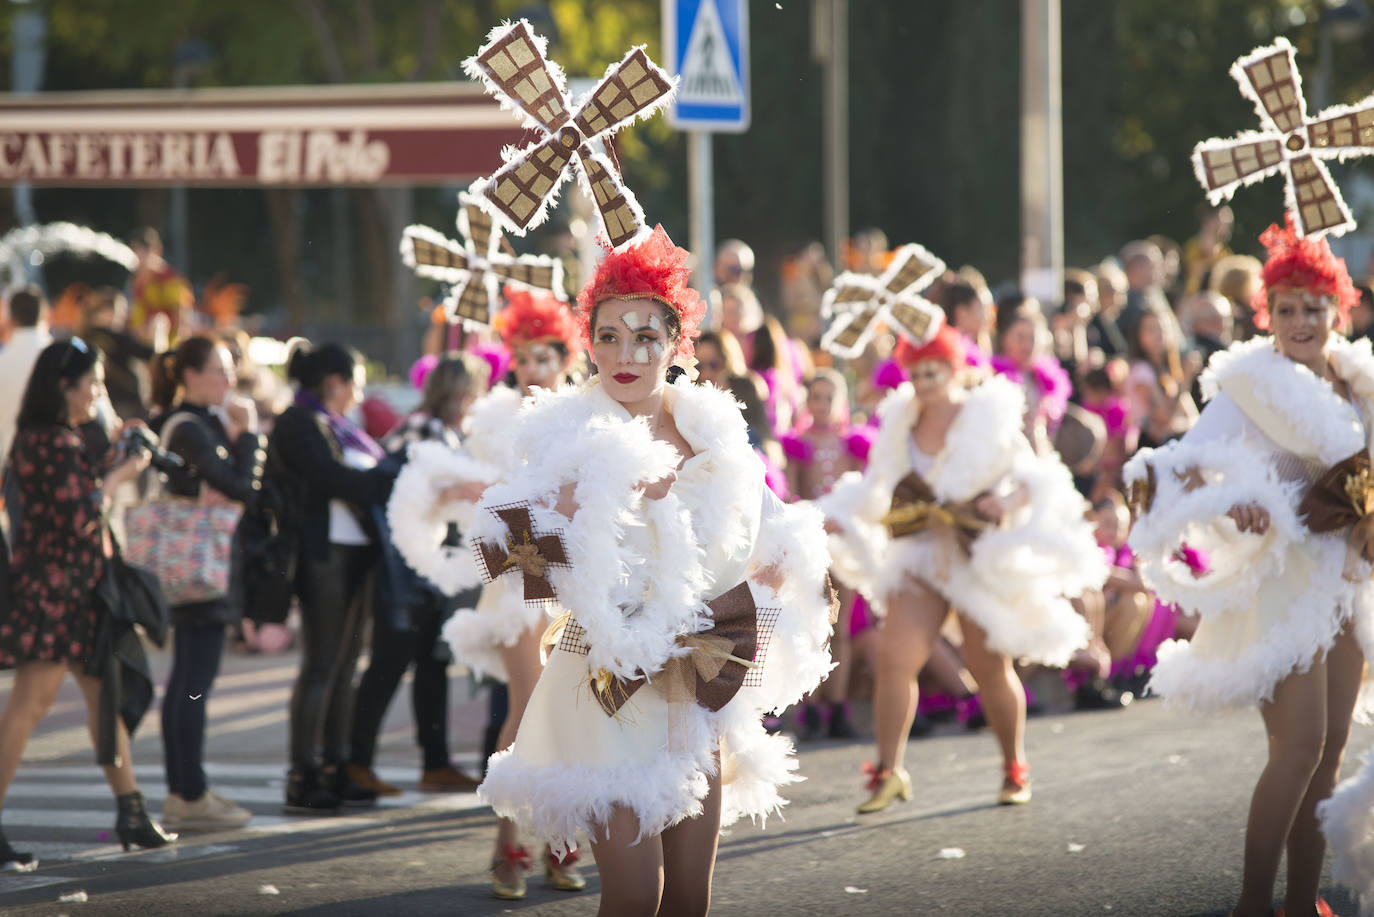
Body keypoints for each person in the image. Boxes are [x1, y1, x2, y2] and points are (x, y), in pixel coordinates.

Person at [475, 227, 835, 915]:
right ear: (589, 341)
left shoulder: (713, 435)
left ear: (677, 343)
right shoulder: (564, 435)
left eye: (645, 336)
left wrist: (782, 584)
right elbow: (510, 561)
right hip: (604, 682)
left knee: (688, 902)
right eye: (608, 335)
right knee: (635, 897)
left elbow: (774, 532)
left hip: (695, 687)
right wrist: (578, 503)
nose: (625, 354)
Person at [1125, 215, 1370, 917]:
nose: (1300, 321)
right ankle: (1253, 905)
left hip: (1346, 583)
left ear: (1337, 310)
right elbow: (1182, 468)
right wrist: (1240, 502)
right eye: (1285, 309)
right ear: (1267, 315)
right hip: (1281, 585)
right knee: (1297, 749)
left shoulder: (1359, 385)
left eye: (1313, 308)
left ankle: (1300, 903)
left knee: (1327, 756)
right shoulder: (1251, 390)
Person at [821, 324, 1104, 813]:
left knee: (990, 669)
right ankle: (888, 772)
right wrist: (839, 514)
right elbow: (875, 487)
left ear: (955, 369)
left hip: (978, 556)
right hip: (923, 555)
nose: (926, 380)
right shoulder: (901, 424)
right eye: (917, 371)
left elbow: (1031, 476)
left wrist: (1003, 500)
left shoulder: (987, 416)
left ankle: (1014, 766)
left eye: (935, 370)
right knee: (895, 659)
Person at [0, 338, 176, 869]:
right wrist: (120, 474)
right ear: (64, 387)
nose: (99, 392)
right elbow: (78, 515)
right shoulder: (48, 441)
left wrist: (112, 455)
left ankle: (132, 810)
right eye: (93, 383)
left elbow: (76, 497)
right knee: (30, 706)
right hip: (57, 594)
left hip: (77, 592)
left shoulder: (54, 439)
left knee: (105, 702)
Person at [439, 288, 588, 897]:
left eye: (543, 358)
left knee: (576, 715)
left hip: (577, 583)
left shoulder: (585, 416)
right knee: (528, 711)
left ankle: (558, 842)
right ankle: (508, 848)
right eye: (522, 357)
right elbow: (476, 499)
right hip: (521, 580)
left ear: (564, 361)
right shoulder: (495, 421)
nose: (531, 369)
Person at [346, 353, 491, 797]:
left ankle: (434, 761)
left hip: (431, 567)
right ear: (460, 392)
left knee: (431, 664)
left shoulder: (443, 430)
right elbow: (396, 491)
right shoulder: (423, 428)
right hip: (407, 568)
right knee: (391, 664)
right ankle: (358, 762)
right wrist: (451, 491)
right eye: (471, 390)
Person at [266, 341, 397, 814]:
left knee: (345, 666)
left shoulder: (339, 425)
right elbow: (329, 479)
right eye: (355, 384)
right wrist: (389, 477)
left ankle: (335, 768)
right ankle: (302, 774)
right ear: (334, 383)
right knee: (321, 665)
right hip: (322, 556)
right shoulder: (298, 421)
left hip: (356, 555)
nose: (359, 395)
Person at [149, 336, 263, 832]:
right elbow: (242, 488)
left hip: (195, 567)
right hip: (201, 569)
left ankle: (185, 788)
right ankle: (187, 792)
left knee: (187, 680)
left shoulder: (189, 423)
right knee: (194, 682)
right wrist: (251, 434)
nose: (230, 378)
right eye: (220, 368)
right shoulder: (192, 428)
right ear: (191, 375)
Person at [781, 369, 872, 739]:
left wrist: (846, 519)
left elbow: (864, 493)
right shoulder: (799, 443)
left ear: (841, 401)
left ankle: (838, 706)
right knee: (815, 623)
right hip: (814, 543)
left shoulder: (853, 444)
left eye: (828, 397)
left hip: (846, 545)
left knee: (843, 629)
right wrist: (815, 519)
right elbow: (792, 495)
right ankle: (811, 707)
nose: (821, 404)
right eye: (814, 397)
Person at [992, 294, 1072, 454]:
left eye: (1032, 338)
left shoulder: (1043, 379)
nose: (1027, 345)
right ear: (1005, 339)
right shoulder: (995, 377)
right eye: (1020, 337)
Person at [1125, 308, 1200, 448]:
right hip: (1149, 448)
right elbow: (1165, 418)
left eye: (1163, 328)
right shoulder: (1141, 371)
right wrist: (1186, 380)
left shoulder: (1167, 370)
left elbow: (1192, 417)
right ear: (1139, 336)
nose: (1159, 335)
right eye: (1150, 329)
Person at [0, 286, 53, 476]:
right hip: (59, 460)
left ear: (11, 319)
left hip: (13, 463)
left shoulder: (3, 361)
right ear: (46, 313)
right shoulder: (63, 356)